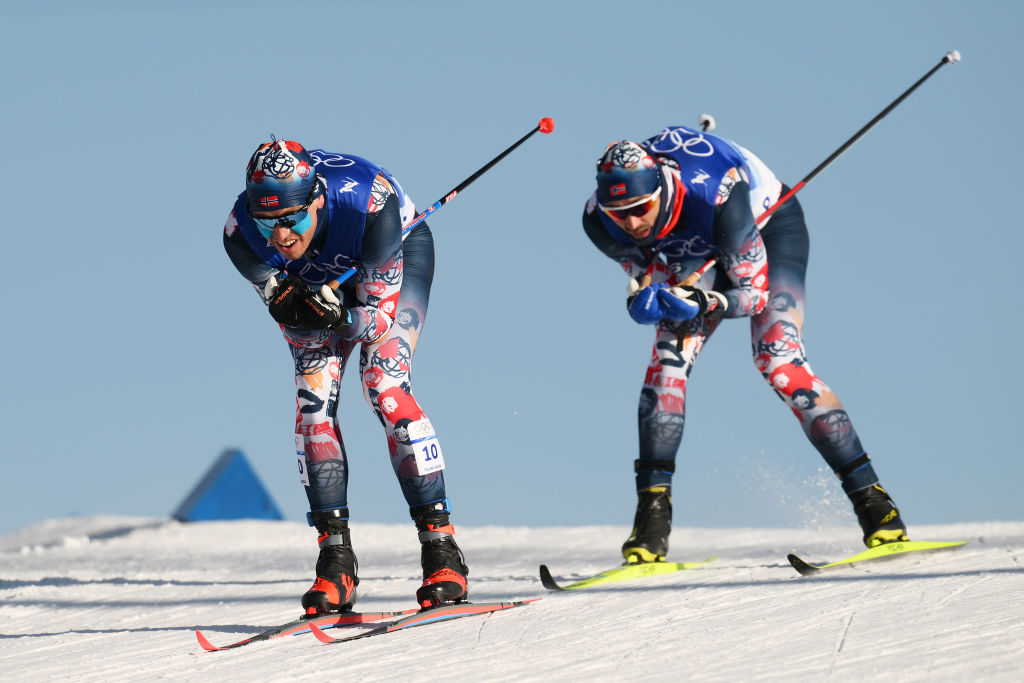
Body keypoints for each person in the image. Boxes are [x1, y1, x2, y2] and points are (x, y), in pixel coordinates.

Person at [582, 126, 908, 564]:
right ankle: (651, 522)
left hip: (763, 227)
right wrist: (646, 293)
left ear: (659, 188)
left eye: (640, 208)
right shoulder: (597, 220)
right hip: (692, 247)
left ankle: (876, 507)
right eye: (618, 212)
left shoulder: (716, 194)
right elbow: (645, 264)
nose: (632, 222)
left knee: (779, 363)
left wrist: (701, 300)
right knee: (667, 363)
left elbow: (752, 297)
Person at [223, 138, 468, 613]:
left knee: (384, 385)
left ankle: (442, 551)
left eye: (292, 219)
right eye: (266, 222)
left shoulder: (371, 205)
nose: (281, 237)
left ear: (316, 200)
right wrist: (299, 308)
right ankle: (335, 560)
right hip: (316, 285)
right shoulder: (240, 235)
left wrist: (339, 317)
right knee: (313, 406)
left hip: (389, 255)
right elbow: (286, 310)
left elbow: (376, 319)